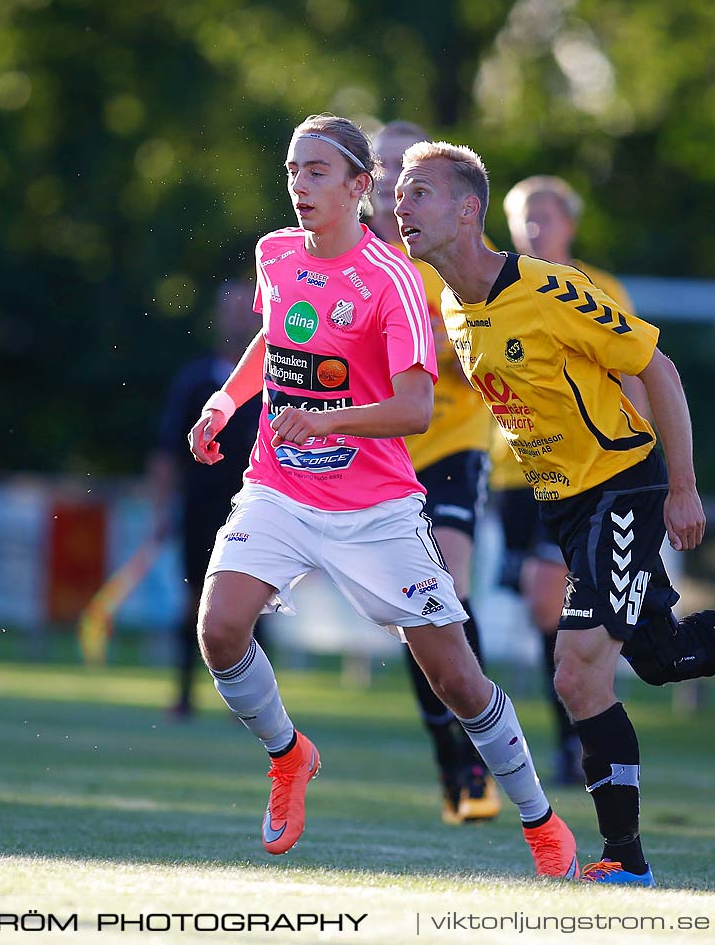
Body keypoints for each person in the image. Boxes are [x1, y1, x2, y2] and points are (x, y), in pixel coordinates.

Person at [396, 141, 715, 886]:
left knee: (579, 673)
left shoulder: (551, 289)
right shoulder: (455, 308)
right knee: (664, 657)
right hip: (567, 507)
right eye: (398, 189)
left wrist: (682, 485)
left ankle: (627, 861)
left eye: (417, 190)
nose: (399, 202)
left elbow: (657, 366)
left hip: (622, 487)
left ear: (466, 209)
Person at [184, 114, 578, 877]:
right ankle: (289, 756)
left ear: (361, 187)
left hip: (375, 510)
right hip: (280, 484)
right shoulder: (275, 253)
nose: (299, 185)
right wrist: (226, 404)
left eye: (317, 172)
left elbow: (414, 410)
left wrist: (323, 415)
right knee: (221, 630)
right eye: (293, 170)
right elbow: (273, 344)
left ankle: (537, 817)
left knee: (458, 680)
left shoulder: (395, 279)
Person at [365, 119, 501, 824]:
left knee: (443, 587)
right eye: (381, 164)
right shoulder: (353, 260)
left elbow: (497, 332)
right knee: (414, 610)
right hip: (383, 453)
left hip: (452, 441)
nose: (390, 178)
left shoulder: (450, 250)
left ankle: (478, 749)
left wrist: (459, 351)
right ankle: (449, 751)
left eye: (404, 167)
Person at [495, 175, 645, 785]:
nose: (534, 228)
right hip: (513, 471)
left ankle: (577, 742)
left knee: (555, 601)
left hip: (582, 471)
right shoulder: (493, 287)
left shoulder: (598, 290)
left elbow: (635, 367)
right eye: (524, 217)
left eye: (545, 217)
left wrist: (645, 451)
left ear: (569, 224)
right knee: (544, 610)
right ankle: (575, 736)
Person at [149, 281, 263, 718]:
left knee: (254, 607)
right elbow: (165, 453)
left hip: (257, 508)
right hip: (201, 510)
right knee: (196, 600)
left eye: (244, 309)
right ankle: (184, 694)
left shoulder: (278, 377)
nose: (238, 317)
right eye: (229, 309)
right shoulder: (195, 381)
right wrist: (162, 511)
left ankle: (251, 706)